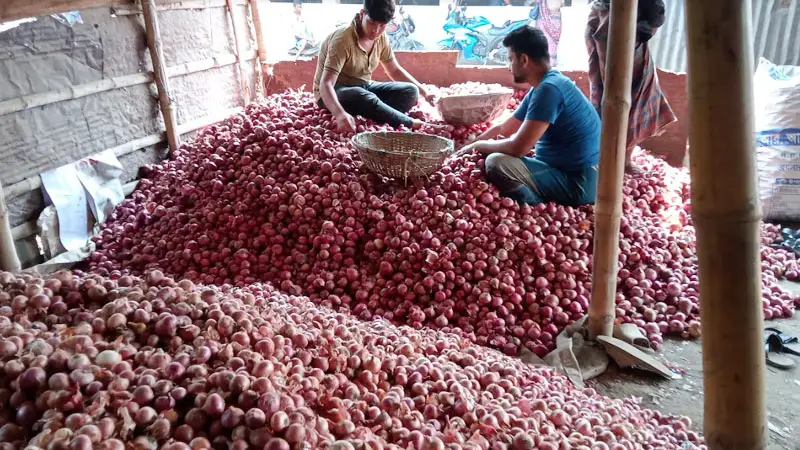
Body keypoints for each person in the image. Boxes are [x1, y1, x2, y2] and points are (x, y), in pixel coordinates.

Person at [460, 26, 600, 206]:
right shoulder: (545, 85)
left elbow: (519, 148)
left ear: (524, 59)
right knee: (499, 154)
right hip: (573, 173)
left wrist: (480, 146)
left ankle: (533, 205)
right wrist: (470, 146)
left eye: (510, 59)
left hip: (578, 183)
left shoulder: (549, 90)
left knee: (497, 162)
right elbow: (504, 128)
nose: (508, 67)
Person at [313, 0, 436, 133]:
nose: (375, 31)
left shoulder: (381, 38)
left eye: (382, 25)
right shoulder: (343, 40)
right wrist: (339, 114)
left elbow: (394, 70)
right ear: (362, 14)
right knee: (362, 97)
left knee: (411, 92)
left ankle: (376, 110)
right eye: (371, 22)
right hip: (333, 92)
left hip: (363, 86)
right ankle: (407, 122)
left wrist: (425, 92)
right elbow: (325, 84)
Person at [586, 0, 676, 174]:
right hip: (612, 19)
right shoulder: (606, 25)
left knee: (636, 91)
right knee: (613, 92)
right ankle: (610, 161)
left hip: (633, 18)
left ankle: (622, 159)